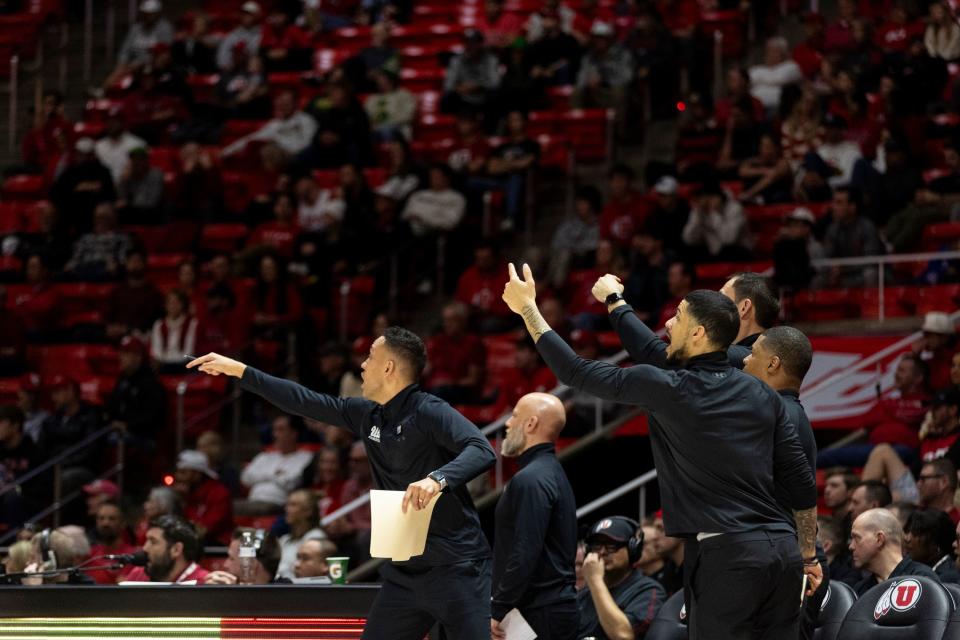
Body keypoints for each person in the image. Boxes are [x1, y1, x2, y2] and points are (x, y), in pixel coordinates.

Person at [502, 264, 819, 639]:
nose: (669, 324)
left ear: (698, 333)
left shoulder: (669, 388)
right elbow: (801, 482)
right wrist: (809, 555)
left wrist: (528, 310)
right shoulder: (765, 394)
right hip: (783, 553)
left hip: (728, 554)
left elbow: (573, 371)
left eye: (679, 317)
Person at [187, 326, 497, 640]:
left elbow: (481, 449)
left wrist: (437, 480)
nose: (362, 365)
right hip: (405, 571)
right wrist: (240, 371)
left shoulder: (430, 410)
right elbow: (304, 401)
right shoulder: (367, 414)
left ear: (389, 367)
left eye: (370, 357)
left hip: (456, 566)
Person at [742, 326, 828, 639]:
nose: (745, 361)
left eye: (753, 354)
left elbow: (802, 494)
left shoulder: (781, 417)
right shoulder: (784, 413)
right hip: (786, 556)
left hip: (789, 561)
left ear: (773, 364)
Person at [490, 393, 577, 640]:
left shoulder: (531, 479)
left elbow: (525, 549)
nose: (507, 423)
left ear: (531, 424)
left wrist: (499, 607)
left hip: (539, 613)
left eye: (515, 415)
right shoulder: (551, 472)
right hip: (550, 609)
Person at [577, 517, 666, 639]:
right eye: (596, 545)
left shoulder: (649, 590)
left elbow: (623, 635)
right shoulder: (584, 594)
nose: (602, 552)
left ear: (632, 549)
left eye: (612, 545)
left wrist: (595, 580)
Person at [849, 508, 939, 596]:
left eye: (857, 538)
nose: (851, 546)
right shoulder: (861, 590)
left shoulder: (921, 580)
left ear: (879, 539)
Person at [236, 415, 313, 516]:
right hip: (253, 501)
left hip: (279, 504)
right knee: (228, 506)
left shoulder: (305, 457)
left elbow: (291, 482)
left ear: (294, 433)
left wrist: (260, 476)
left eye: (281, 430)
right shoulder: (264, 456)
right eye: (274, 430)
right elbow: (245, 478)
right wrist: (274, 475)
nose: (275, 435)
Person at [172, 450, 234, 545]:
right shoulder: (186, 495)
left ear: (197, 474)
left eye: (183, 472)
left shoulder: (220, 493)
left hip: (218, 546)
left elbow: (206, 529)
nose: (178, 476)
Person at [124, 515, 209, 583]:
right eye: (147, 541)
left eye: (153, 542)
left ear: (176, 550)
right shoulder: (138, 575)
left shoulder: (203, 583)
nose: (145, 548)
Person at [719, 272, 780, 367]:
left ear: (744, 307)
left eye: (721, 298)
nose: (714, 305)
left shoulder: (722, 358)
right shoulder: (770, 358)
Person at [276, 488, 328, 580]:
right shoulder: (284, 539)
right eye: (287, 504)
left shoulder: (316, 537)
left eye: (293, 505)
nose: (287, 509)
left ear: (308, 511)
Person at [204, 528, 285, 584]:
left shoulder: (286, 596)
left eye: (232, 559)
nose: (225, 565)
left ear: (252, 565)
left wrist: (233, 597)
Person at [86, 501, 138, 584]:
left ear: (123, 524)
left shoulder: (133, 556)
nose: (105, 523)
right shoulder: (90, 554)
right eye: (101, 518)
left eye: (112, 519)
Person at [903, 508, 960, 582]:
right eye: (907, 531)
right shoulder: (912, 569)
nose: (907, 538)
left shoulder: (947, 578)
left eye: (916, 533)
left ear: (935, 543)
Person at [918, 458, 960, 524]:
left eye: (923, 479)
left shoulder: (957, 523)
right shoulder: (916, 517)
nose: (918, 484)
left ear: (943, 482)